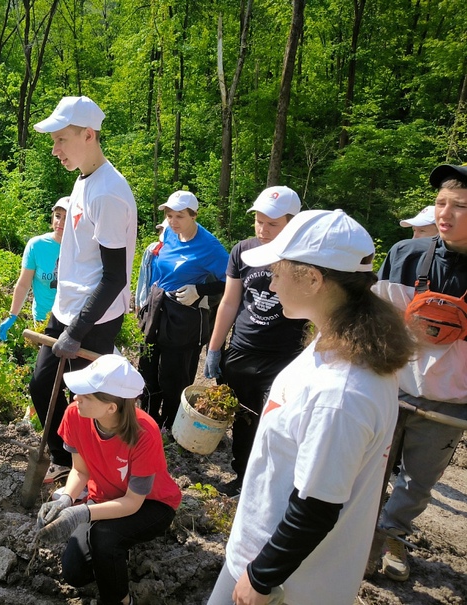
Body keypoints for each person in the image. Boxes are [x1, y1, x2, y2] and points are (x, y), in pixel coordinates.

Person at [207, 209, 415, 605]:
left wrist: (261, 578)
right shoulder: (337, 344)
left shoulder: (341, 394)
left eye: (278, 269)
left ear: (313, 279)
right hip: (268, 557)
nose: (270, 280)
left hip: (289, 583)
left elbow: (315, 508)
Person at [29, 96, 137, 484]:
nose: (55, 150)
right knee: (42, 386)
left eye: (61, 140)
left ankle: (88, 469)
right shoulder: (85, 178)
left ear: (88, 135)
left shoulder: (108, 193)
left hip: (92, 317)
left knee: (85, 400)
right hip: (68, 305)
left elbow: (114, 277)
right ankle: (65, 457)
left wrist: (76, 332)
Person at [372, 164, 467, 582]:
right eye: (441, 202)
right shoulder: (404, 256)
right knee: (369, 467)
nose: (445, 212)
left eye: (460, 206)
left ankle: (391, 535)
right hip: (391, 388)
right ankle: (355, 533)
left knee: (418, 482)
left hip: (448, 406)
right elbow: (375, 322)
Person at [34, 354, 182, 605]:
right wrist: (65, 499)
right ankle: (114, 556)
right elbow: (80, 471)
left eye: (85, 395)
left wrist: (81, 514)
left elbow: (133, 502)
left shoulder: (145, 433)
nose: (74, 398)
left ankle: (122, 600)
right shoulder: (74, 415)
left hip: (151, 504)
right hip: (104, 498)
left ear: (111, 407)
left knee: (105, 538)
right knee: (74, 572)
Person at [203, 186, 307, 495]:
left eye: (272, 224)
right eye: (259, 221)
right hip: (243, 351)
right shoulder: (243, 251)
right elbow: (230, 302)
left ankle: (277, 484)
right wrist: (214, 349)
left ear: (293, 223)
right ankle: (243, 477)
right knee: (244, 420)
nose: (262, 229)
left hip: (285, 356)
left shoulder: (303, 257)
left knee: (279, 424)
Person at [136, 190, 228, 430]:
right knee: (147, 365)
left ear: (194, 215)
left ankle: (171, 426)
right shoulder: (168, 232)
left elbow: (232, 279)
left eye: (180, 216)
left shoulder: (209, 246)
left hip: (184, 315)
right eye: (169, 215)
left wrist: (200, 290)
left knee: (174, 374)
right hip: (157, 307)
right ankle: (146, 420)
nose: (173, 221)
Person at [0, 197, 70, 341]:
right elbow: (24, 284)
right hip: (43, 320)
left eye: (66, 218)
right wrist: (13, 315)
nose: (60, 222)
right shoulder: (37, 245)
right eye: (57, 216)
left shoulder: (81, 248)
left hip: (71, 322)